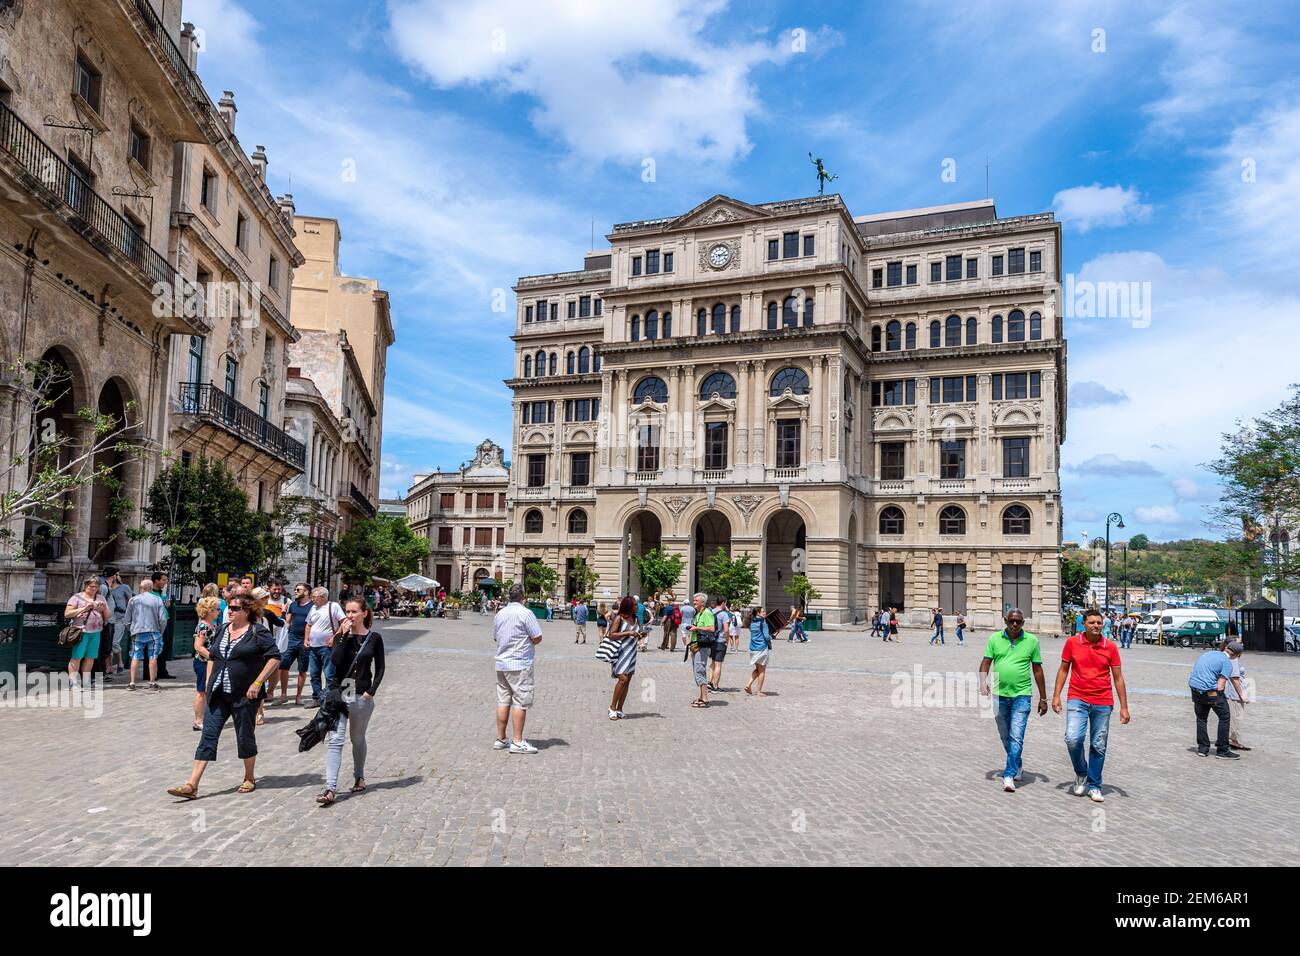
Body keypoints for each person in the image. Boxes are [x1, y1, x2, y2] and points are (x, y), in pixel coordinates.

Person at [166, 590, 280, 799]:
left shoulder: (258, 631)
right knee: (208, 735)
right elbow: (213, 657)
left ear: (247, 610)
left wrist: (258, 682)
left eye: (235, 608)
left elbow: (274, 658)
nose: (230, 612)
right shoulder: (221, 630)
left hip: (245, 694)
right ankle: (192, 784)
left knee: (244, 735)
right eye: (229, 608)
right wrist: (209, 684)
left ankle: (249, 777)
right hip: (219, 692)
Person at [1051, 609, 1131, 803]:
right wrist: (1056, 696)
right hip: (1077, 698)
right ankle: (1081, 773)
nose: (1096, 626)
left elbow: (1118, 678)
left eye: (1099, 623)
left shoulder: (1110, 647)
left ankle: (1094, 785)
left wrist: (1124, 707)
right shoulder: (1072, 643)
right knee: (1072, 739)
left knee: (1098, 744)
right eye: (1092, 622)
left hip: (1102, 701)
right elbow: (1063, 670)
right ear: (1083, 624)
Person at [317, 597, 386, 805]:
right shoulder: (341, 637)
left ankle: (359, 776)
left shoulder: (374, 638)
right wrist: (343, 636)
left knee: (357, 739)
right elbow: (335, 662)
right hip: (341, 691)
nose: (349, 616)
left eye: (354, 612)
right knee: (335, 740)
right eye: (347, 611)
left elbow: (381, 667)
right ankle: (330, 788)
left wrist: (371, 692)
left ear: (364, 613)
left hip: (362, 692)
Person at [979, 608, 1047, 793]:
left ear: (1023, 623)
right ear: (1006, 621)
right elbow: (986, 662)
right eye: (1011, 621)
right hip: (999, 695)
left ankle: (1009, 775)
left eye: (1018, 621)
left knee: (1016, 736)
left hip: (1022, 696)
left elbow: (1038, 670)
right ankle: (1017, 764)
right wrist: (982, 682)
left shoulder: (1031, 641)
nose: (1015, 624)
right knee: (1005, 735)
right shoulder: (994, 639)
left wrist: (1043, 698)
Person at [493, 583, 542, 754]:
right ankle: (517, 741)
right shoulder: (526, 613)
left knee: (503, 700)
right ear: (523, 596)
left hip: (501, 662)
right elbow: (537, 637)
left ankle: (501, 738)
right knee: (520, 702)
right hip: (520, 663)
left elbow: (495, 637)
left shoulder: (500, 613)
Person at [1188, 641, 1246, 759]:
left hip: (1195, 688)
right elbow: (1220, 686)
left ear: (1226, 648)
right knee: (1224, 717)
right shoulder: (1227, 663)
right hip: (1210, 692)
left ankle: (1203, 748)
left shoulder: (1208, 654)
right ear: (1236, 655)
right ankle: (1222, 749)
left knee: (1201, 719)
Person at [64, 577, 110, 690]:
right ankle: (73, 682)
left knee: (90, 657)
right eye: (91, 586)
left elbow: (108, 616)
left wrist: (103, 609)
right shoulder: (77, 597)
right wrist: (85, 608)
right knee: (77, 656)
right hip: (81, 631)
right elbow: (67, 614)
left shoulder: (101, 597)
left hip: (96, 631)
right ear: (86, 586)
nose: (94, 589)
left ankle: (86, 681)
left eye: (96, 586)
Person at [304, 586, 345, 706]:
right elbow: (308, 625)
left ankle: (328, 699)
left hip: (327, 647)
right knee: (314, 674)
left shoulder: (333, 606)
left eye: (314, 597)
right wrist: (306, 639)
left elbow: (343, 623)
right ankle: (317, 698)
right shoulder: (313, 608)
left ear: (323, 597)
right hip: (313, 647)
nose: (312, 599)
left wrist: (334, 638)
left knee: (329, 674)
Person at [125, 577, 167, 691]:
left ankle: (132, 682)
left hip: (137, 631)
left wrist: (131, 630)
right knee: (153, 656)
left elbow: (127, 619)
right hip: (153, 631)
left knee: (135, 656)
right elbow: (163, 619)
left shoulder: (133, 600)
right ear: (151, 587)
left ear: (141, 588)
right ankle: (152, 682)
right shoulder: (157, 600)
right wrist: (160, 631)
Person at [279, 583, 313, 706]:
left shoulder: (313, 606)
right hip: (291, 639)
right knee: (283, 666)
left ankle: (298, 696)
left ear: (307, 592)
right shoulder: (293, 605)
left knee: (302, 669)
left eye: (298, 590)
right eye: (295, 589)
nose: (295, 591)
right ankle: (283, 695)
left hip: (305, 640)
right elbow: (288, 622)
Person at [190, 595, 220, 731]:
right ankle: (198, 720)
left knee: (208, 691)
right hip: (202, 663)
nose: (219, 611)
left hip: (210, 663)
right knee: (202, 691)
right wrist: (211, 657)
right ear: (209, 611)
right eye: (217, 609)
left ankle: (207, 718)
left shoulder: (212, 625)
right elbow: (198, 646)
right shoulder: (203, 626)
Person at [607, 596, 639, 720]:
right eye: (635, 605)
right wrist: (628, 633)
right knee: (622, 679)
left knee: (627, 682)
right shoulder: (619, 618)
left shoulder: (635, 619)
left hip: (632, 652)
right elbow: (611, 635)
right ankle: (612, 707)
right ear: (628, 606)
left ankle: (620, 708)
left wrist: (640, 635)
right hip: (620, 652)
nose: (636, 607)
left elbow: (635, 634)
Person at [1222, 628, 1251, 751]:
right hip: (1234, 692)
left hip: (1233, 691)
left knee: (1236, 715)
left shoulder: (1233, 657)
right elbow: (1234, 678)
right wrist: (1242, 694)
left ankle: (1232, 739)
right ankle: (1234, 740)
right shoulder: (1233, 658)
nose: (1242, 644)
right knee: (1237, 716)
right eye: (1240, 643)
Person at [687, 592, 716, 708]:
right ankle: (701, 696)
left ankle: (705, 699)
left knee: (700, 670)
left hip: (702, 646)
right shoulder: (699, 614)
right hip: (696, 645)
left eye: (696, 601)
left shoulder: (707, 613)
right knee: (697, 671)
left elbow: (712, 628)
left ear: (702, 603)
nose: (694, 602)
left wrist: (697, 628)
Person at [744, 605, 772, 697]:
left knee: (757, 669)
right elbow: (767, 637)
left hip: (753, 648)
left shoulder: (751, 622)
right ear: (758, 613)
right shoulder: (763, 622)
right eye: (763, 611)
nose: (765, 613)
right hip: (762, 648)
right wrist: (771, 637)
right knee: (762, 671)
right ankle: (759, 691)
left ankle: (748, 684)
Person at [709, 598, 730, 691]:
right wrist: (727, 640)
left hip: (711, 640)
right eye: (725, 603)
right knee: (718, 664)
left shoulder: (710, 612)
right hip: (720, 640)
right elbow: (726, 630)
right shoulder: (724, 614)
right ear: (723, 603)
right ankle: (715, 686)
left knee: (712, 663)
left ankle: (709, 682)